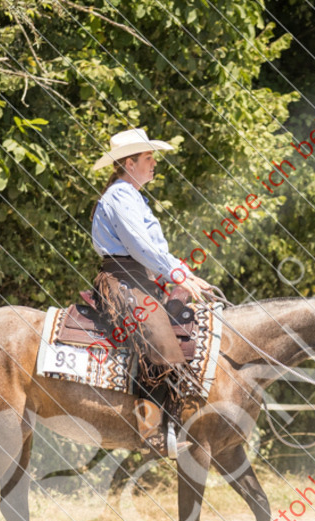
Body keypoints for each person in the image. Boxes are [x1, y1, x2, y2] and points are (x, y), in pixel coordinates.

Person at [89, 128, 213, 453]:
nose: (154, 162)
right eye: (147, 157)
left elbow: (154, 249)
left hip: (139, 277)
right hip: (123, 280)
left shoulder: (132, 196)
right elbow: (140, 245)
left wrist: (185, 274)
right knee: (160, 340)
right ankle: (150, 433)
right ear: (130, 163)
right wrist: (175, 273)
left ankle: (173, 421)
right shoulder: (119, 196)